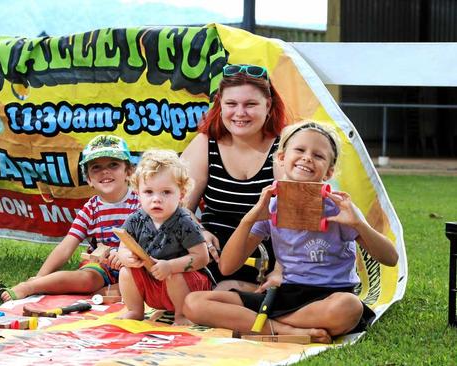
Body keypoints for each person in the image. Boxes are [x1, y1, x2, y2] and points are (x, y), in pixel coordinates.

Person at [183, 121, 399, 343]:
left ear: (329, 171)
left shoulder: (339, 208)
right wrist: (250, 219)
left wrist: (358, 225)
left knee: (350, 307)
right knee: (194, 303)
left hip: (329, 297)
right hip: (285, 294)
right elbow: (227, 266)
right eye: (300, 150)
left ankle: (264, 324)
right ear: (281, 158)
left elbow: (390, 258)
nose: (307, 157)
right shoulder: (273, 206)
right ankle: (287, 330)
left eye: (318, 155)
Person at [0, 135, 140, 302]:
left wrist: (129, 257)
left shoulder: (141, 203)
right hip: (101, 267)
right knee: (87, 280)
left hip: (133, 266)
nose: (105, 171)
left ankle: (106, 293)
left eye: (113, 164)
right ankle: (30, 287)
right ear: (89, 179)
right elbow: (66, 247)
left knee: (142, 284)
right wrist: (39, 278)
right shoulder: (90, 209)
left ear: (129, 172)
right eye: (96, 167)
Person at [180, 63, 288, 291]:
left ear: (267, 105)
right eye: (231, 104)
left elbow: (295, 222)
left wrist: (280, 271)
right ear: (220, 104)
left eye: (250, 104)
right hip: (211, 252)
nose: (240, 113)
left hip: (265, 257)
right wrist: (198, 232)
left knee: (214, 296)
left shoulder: (285, 148)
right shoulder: (205, 144)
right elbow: (178, 208)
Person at [116, 149, 211, 326]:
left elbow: (202, 258)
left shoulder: (184, 222)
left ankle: (182, 315)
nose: (156, 199)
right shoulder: (135, 219)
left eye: (166, 192)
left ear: (181, 194)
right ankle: (135, 310)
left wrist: (170, 266)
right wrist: (126, 257)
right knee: (125, 271)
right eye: (149, 192)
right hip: (155, 286)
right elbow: (122, 247)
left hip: (189, 288)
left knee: (173, 275)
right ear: (138, 193)